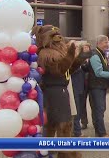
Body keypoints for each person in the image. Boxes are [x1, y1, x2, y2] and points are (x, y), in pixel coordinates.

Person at [33, 25, 85, 158]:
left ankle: (59, 152)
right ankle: (60, 153)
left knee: (61, 124)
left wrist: (77, 61)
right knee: (59, 124)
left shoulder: (58, 52)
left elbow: (67, 71)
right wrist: (70, 55)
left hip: (61, 91)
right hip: (53, 93)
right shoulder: (46, 54)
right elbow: (59, 69)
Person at [88, 35, 109, 137]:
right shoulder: (95, 55)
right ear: (99, 43)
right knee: (99, 109)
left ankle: (99, 131)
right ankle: (101, 133)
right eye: (106, 42)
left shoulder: (102, 54)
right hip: (96, 86)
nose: (108, 44)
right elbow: (98, 73)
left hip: (100, 86)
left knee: (99, 109)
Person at [71, 43, 92, 137]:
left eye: (77, 48)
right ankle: (77, 132)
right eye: (74, 48)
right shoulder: (70, 60)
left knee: (79, 109)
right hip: (74, 87)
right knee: (75, 110)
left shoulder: (80, 59)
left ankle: (76, 130)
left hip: (81, 86)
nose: (76, 49)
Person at [79, 43, 92, 130]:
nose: (86, 48)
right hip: (82, 84)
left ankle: (96, 121)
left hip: (92, 83)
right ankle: (84, 122)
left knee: (93, 104)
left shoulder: (93, 57)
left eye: (87, 47)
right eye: (84, 47)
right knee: (82, 104)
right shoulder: (79, 58)